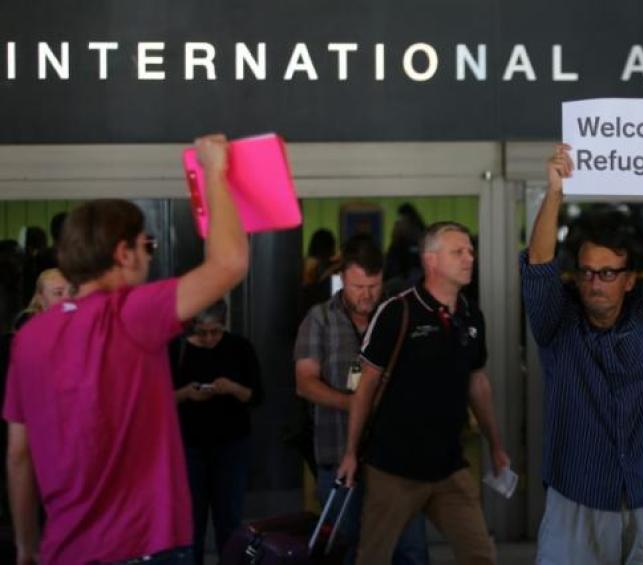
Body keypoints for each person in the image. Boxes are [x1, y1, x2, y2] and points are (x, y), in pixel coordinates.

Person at [3, 134, 248, 565]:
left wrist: (26, 545)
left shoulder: (29, 338)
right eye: (146, 246)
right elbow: (228, 264)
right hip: (143, 545)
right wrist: (215, 172)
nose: (149, 258)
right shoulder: (132, 313)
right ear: (123, 253)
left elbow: (19, 455)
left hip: (65, 550)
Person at [521, 142, 643, 564]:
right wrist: (553, 191)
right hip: (578, 495)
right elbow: (539, 265)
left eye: (608, 273)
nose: (596, 282)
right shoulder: (556, 325)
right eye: (588, 272)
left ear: (629, 280)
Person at [338, 221, 508, 565]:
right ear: (431, 261)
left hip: (449, 467)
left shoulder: (472, 315)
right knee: (373, 557)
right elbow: (366, 386)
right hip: (393, 469)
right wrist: (351, 453)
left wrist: (496, 445)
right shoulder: (397, 311)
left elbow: (478, 382)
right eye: (458, 252)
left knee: (480, 555)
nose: (469, 258)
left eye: (470, 251)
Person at [295, 235, 429, 565]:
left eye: (373, 285)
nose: (366, 295)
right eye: (358, 286)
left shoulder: (400, 313)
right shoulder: (320, 318)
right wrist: (356, 403)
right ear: (343, 278)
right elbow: (305, 384)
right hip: (338, 454)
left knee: (410, 549)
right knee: (344, 548)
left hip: (397, 459)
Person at [171, 300, 263, 565]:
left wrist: (232, 388)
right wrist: (187, 393)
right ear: (192, 328)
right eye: (203, 332)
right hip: (189, 446)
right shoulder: (178, 350)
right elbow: (158, 399)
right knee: (191, 523)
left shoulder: (239, 348)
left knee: (230, 521)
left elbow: (256, 396)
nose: (210, 338)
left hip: (232, 445)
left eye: (216, 331)